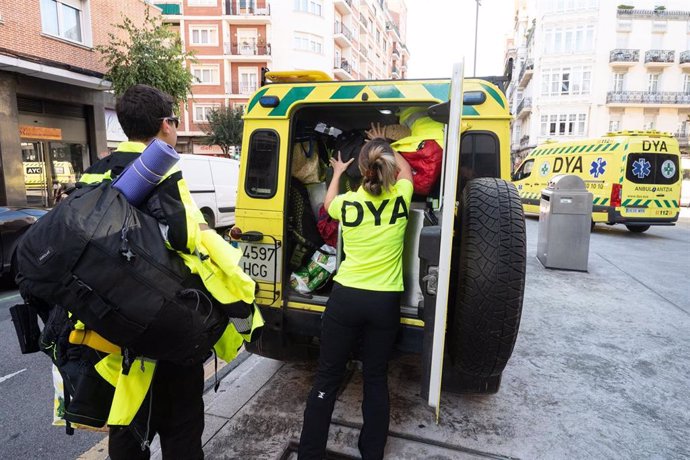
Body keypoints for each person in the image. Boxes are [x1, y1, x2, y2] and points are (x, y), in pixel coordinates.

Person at [77, 84, 213, 460]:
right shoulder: (163, 173)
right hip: (162, 321)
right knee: (182, 428)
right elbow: (185, 240)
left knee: (129, 421)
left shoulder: (93, 173)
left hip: (108, 322)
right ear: (165, 125)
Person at [298, 129, 413, 460]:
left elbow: (328, 203)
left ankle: (309, 454)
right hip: (384, 303)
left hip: (346, 298)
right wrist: (384, 145)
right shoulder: (402, 195)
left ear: (361, 171)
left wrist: (335, 172)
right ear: (387, 167)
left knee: (327, 378)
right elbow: (404, 171)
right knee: (375, 378)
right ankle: (371, 453)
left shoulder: (347, 204)